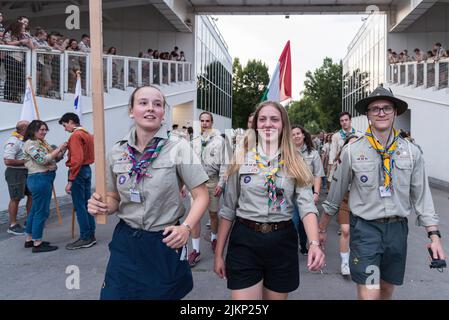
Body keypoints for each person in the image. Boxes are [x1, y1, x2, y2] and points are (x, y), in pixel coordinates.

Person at [318, 86, 446, 300]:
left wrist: (434, 236)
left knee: (385, 290)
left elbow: (423, 197)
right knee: (370, 291)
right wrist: (320, 231)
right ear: (367, 114)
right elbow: (334, 196)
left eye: (387, 108)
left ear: (395, 112)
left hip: (397, 231)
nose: (381, 112)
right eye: (375, 108)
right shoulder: (352, 151)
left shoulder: (412, 152)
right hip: (366, 231)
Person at [87, 85, 209, 300]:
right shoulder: (116, 152)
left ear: (163, 113)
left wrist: (186, 228)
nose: (151, 108)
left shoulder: (179, 147)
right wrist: (102, 205)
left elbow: (201, 195)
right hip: (127, 242)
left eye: (158, 104)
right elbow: (113, 197)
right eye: (143, 103)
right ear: (131, 110)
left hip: (164, 242)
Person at [214, 101, 325, 300]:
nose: (268, 124)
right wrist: (218, 254)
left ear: (283, 125)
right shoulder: (241, 158)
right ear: (256, 125)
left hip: (281, 241)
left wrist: (314, 242)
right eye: (262, 119)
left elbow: (307, 206)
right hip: (245, 240)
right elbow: (228, 209)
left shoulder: (296, 161)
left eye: (274, 119)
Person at [188, 112, 228, 267]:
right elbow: (188, 164)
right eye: (202, 121)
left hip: (212, 181)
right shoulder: (194, 141)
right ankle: (196, 250)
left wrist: (221, 184)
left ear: (212, 122)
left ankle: (214, 237)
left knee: (213, 214)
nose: (204, 123)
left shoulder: (220, 141)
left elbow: (225, 164)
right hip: (196, 182)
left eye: (207, 121)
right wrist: (185, 184)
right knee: (195, 217)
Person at [23, 120, 67, 253]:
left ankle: (29, 238)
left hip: (44, 178)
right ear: (33, 130)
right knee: (41, 211)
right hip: (39, 178)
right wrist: (58, 149)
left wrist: (62, 151)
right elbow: (42, 159)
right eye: (41, 129)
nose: (44, 132)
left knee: (35, 209)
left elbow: (54, 158)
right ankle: (37, 242)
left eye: (45, 130)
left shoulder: (42, 142)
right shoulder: (30, 144)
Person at [58, 113, 96, 250]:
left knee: (80, 205)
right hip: (86, 169)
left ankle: (86, 236)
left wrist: (70, 180)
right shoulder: (87, 133)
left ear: (70, 121)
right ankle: (90, 234)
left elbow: (77, 159)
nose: (64, 128)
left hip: (78, 171)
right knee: (87, 204)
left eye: (64, 125)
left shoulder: (75, 135)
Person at [326, 134, 359, 276]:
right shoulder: (340, 161)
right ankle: (344, 262)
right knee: (345, 230)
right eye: (350, 144)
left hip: (361, 202)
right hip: (345, 199)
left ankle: (355, 260)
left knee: (358, 234)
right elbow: (334, 183)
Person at [291, 125, 325, 255]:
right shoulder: (287, 153)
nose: (296, 136)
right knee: (292, 221)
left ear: (304, 135)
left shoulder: (313, 153)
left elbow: (317, 174)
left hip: (307, 192)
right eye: (293, 135)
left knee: (304, 222)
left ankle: (304, 243)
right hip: (290, 193)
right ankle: (291, 247)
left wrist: (316, 193)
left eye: (298, 133)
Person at [3, 121, 32, 235]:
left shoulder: (25, 140)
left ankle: (30, 220)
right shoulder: (13, 141)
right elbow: (8, 160)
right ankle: (13, 225)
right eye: (30, 127)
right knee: (16, 198)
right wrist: (26, 161)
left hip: (27, 171)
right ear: (23, 129)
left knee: (31, 195)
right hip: (15, 173)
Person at [328, 112, 361, 187]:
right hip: (340, 166)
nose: (344, 122)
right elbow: (333, 152)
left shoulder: (359, 134)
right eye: (342, 121)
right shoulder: (336, 136)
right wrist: (331, 167)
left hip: (355, 166)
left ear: (350, 120)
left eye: (346, 120)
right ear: (340, 122)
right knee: (340, 190)